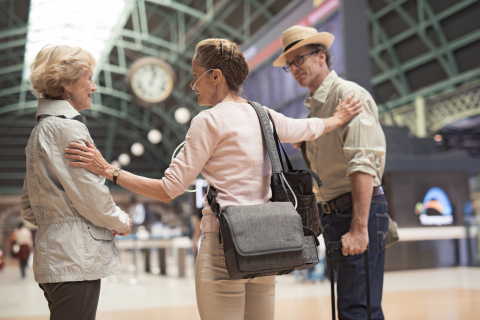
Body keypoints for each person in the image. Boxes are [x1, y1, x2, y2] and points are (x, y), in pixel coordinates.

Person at [64, 38, 362, 320]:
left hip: (224, 245)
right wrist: (338, 118)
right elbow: (306, 127)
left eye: (196, 76)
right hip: (268, 244)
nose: (193, 86)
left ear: (215, 76)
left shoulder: (208, 121)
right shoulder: (263, 114)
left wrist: (109, 170)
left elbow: (168, 189)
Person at [273, 25, 388, 319]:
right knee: (353, 306)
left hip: (355, 209)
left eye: (300, 59)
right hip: (335, 213)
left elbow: (363, 164)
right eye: (290, 65)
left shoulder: (346, 95)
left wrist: (359, 228)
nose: (294, 68)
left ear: (321, 56)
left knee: (356, 308)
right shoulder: (316, 108)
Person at [20, 44, 132, 320]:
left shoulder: (40, 131)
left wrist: (58, 218)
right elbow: (91, 196)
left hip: (52, 257)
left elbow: (27, 206)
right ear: (66, 84)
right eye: (88, 78)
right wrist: (120, 221)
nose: (94, 87)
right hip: (75, 259)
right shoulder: (69, 128)